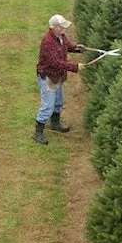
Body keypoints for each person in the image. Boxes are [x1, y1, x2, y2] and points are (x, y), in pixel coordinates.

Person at [33, 14, 87, 145]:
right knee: (48, 106)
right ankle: (38, 133)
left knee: (59, 101)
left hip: (58, 76)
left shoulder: (60, 36)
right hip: (49, 76)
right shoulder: (47, 42)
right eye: (62, 27)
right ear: (55, 28)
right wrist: (75, 67)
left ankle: (55, 123)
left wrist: (77, 49)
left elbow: (67, 45)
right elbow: (56, 62)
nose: (64, 29)